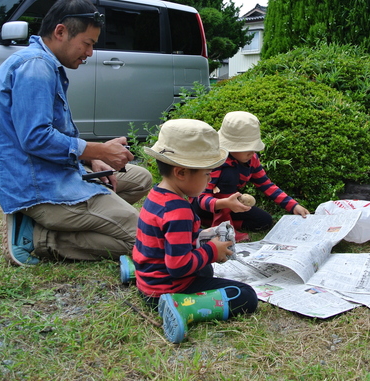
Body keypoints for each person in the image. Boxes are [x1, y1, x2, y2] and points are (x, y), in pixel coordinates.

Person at [0, 0, 152, 266]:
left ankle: (80, 219)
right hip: (42, 188)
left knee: (139, 179)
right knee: (143, 239)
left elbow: (48, 133)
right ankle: (38, 238)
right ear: (61, 31)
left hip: (58, 173)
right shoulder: (36, 67)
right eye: (87, 44)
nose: (89, 53)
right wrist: (99, 149)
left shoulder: (44, 63)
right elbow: (35, 137)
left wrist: (89, 158)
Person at [132, 119, 258, 343]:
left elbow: (167, 239)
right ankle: (183, 307)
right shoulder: (179, 210)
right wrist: (211, 250)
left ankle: (134, 273)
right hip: (167, 288)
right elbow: (178, 267)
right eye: (207, 174)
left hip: (149, 282)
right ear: (181, 172)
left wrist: (203, 238)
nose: (209, 180)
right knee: (246, 296)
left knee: (206, 271)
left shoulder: (156, 195)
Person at [194, 111, 310, 242]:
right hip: (208, 206)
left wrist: (293, 205)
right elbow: (201, 198)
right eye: (246, 148)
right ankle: (224, 227)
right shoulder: (217, 162)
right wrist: (224, 203)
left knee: (264, 221)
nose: (252, 152)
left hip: (231, 205)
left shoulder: (252, 159)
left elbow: (266, 185)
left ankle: (208, 222)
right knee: (229, 175)